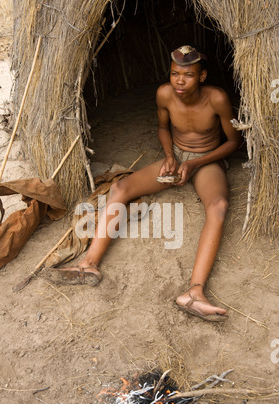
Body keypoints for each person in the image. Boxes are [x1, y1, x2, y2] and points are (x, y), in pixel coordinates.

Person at [46, 45, 242, 322]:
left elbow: (234, 142)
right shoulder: (164, 94)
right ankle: (88, 264)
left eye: (187, 75)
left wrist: (194, 163)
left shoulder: (217, 99)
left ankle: (195, 293)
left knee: (218, 206)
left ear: (202, 76)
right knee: (120, 188)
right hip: (177, 157)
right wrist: (171, 157)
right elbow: (163, 128)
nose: (179, 81)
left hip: (206, 160)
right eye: (174, 74)